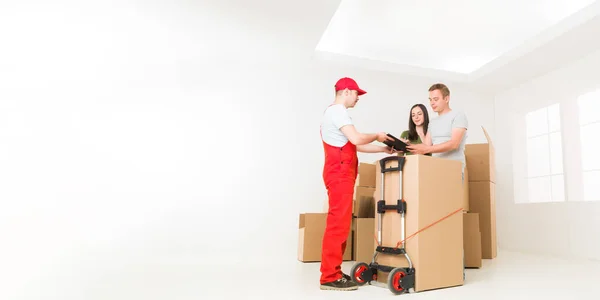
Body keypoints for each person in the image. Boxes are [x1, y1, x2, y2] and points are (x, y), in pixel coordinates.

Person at [319, 77, 394, 291]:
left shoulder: (333, 113)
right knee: (338, 225)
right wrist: (379, 136)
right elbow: (358, 139)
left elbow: (354, 145)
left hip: (340, 172)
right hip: (340, 173)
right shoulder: (337, 111)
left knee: (340, 223)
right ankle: (329, 277)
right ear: (346, 91)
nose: (358, 98)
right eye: (356, 94)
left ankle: (332, 270)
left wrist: (382, 149)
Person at [406, 83, 468, 174]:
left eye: (435, 99)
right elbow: (426, 146)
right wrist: (407, 146)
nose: (432, 103)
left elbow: (454, 144)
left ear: (446, 99)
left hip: (454, 169)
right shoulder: (432, 122)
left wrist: (427, 149)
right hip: (435, 168)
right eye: (430, 100)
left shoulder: (458, 116)